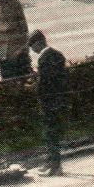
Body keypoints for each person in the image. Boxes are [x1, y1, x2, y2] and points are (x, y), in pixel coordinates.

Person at [29, 30, 68, 177]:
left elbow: (45, 83)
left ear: (38, 43)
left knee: (50, 134)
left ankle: (55, 167)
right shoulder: (57, 54)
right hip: (59, 100)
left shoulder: (44, 59)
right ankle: (51, 163)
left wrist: (35, 82)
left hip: (49, 102)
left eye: (33, 47)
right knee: (52, 133)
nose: (33, 50)